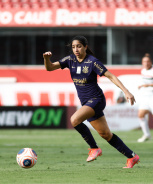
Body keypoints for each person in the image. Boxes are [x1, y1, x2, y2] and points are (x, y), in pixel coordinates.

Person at [43, 35, 139, 168]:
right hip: (87, 103)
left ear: (85, 47)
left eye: (79, 46)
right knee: (106, 135)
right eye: (73, 47)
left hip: (96, 100)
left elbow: (110, 76)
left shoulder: (92, 62)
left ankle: (94, 148)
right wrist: (46, 59)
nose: (76, 49)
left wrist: (126, 92)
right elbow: (50, 68)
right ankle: (132, 156)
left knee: (74, 120)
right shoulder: (70, 60)